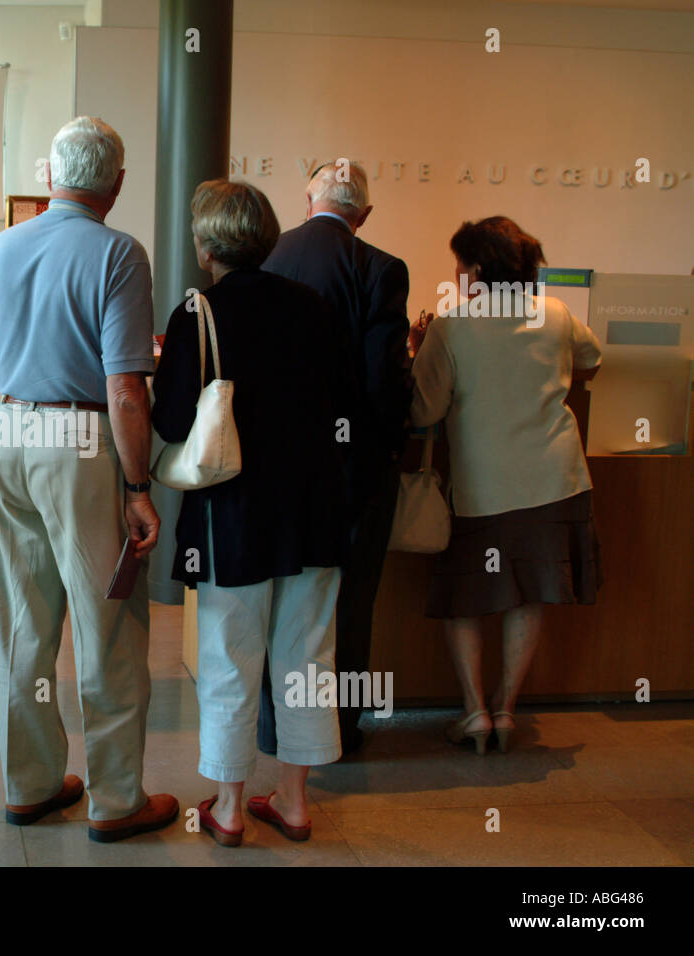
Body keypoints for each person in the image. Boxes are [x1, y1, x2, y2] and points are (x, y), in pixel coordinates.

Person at [0, 116, 178, 843]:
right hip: (78, 442)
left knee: (23, 621)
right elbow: (125, 390)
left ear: (52, 176)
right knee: (108, 623)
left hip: (9, 433)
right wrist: (139, 485)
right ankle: (116, 799)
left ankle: (29, 784)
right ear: (116, 184)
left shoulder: (2, 246)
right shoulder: (120, 254)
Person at [152, 180, 355, 845]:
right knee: (308, 655)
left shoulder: (197, 313)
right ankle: (294, 801)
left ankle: (231, 806)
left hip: (232, 511)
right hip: (315, 506)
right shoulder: (315, 307)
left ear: (207, 241)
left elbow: (176, 417)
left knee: (230, 655)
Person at [411, 216, 602, 754]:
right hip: (555, 480)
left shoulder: (453, 326)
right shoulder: (557, 314)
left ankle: (474, 712)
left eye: (458, 267)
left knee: (465, 598)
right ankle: (506, 711)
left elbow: (425, 407)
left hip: (483, 487)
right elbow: (593, 360)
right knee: (529, 595)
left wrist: (424, 348)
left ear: (475, 269)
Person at [258, 160, 412, 755]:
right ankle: (339, 729)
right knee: (351, 598)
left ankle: (273, 726)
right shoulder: (380, 268)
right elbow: (385, 375)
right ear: (364, 214)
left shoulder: (270, 256)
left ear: (306, 200)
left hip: (276, 464)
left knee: (279, 591)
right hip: (352, 468)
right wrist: (390, 445)